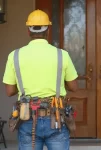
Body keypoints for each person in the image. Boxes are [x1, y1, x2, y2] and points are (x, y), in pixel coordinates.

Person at [3, 9, 78, 150]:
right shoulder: (62, 55)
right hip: (55, 119)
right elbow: (74, 87)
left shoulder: (15, 56)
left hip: (27, 118)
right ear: (48, 30)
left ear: (28, 31)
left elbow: (9, 90)